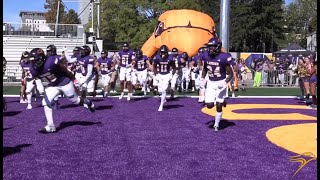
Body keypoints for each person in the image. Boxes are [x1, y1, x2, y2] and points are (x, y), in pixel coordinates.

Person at [28, 48, 95, 133]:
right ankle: (50, 126)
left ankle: (88, 102)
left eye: (36, 60)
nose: (34, 63)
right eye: (33, 61)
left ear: (42, 57)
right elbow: (36, 76)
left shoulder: (50, 61)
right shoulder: (33, 67)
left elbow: (63, 68)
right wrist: (39, 85)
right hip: (52, 85)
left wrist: (73, 78)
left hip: (64, 83)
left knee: (76, 101)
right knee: (45, 102)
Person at [201, 37, 234, 132]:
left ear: (218, 47)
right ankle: (222, 101)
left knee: (218, 104)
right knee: (209, 105)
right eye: (209, 47)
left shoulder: (224, 57)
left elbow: (231, 73)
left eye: (212, 47)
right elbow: (205, 68)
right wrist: (202, 79)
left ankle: (216, 124)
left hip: (221, 81)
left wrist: (225, 82)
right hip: (211, 82)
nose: (210, 49)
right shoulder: (206, 56)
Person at [153, 45, 176, 111]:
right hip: (160, 74)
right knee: (160, 90)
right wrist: (156, 74)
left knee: (163, 90)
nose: (163, 54)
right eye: (162, 52)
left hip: (167, 74)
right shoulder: (157, 57)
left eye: (164, 52)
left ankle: (161, 105)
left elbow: (174, 68)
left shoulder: (170, 58)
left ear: (166, 52)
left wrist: (172, 75)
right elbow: (154, 67)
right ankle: (164, 99)